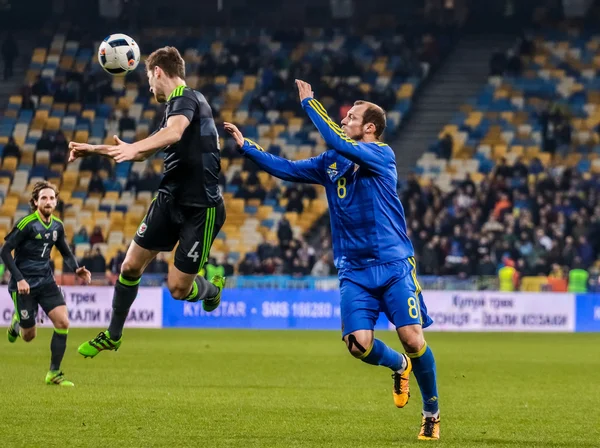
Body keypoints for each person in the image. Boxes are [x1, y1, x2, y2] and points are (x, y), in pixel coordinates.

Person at [224, 79, 440, 440]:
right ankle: (399, 366)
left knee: (413, 339)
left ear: (369, 128)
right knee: (357, 344)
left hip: (392, 264)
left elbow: (338, 140)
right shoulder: (331, 162)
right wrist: (248, 148)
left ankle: (431, 413)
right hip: (354, 270)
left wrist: (310, 104)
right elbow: (288, 169)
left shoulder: (382, 154)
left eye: (352, 117)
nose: (345, 120)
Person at [68, 46, 226, 358]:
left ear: (157, 72)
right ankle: (113, 335)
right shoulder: (174, 109)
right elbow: (140, 150)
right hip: (168, 201)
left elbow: (174, 133)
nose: (149, 87)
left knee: (179, 290)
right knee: (129, 266)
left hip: (201, 208)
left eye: (148, 79)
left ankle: (213, 288)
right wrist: (94, 149)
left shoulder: (187, 97)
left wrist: (135, 147)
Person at [0, 181, 91, 386]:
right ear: (35, 202)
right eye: (43, 198)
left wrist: (76, 268)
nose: (48, 201)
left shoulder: (57, 226)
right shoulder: (26, 224)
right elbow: (4, 252)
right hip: (23, 285)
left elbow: (65, 252)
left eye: (51, 198)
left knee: (63, 323)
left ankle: (54, 373)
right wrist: (20, 279)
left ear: (56, 201)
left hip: (46, 281)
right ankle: (18, 321)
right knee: (29, 336)